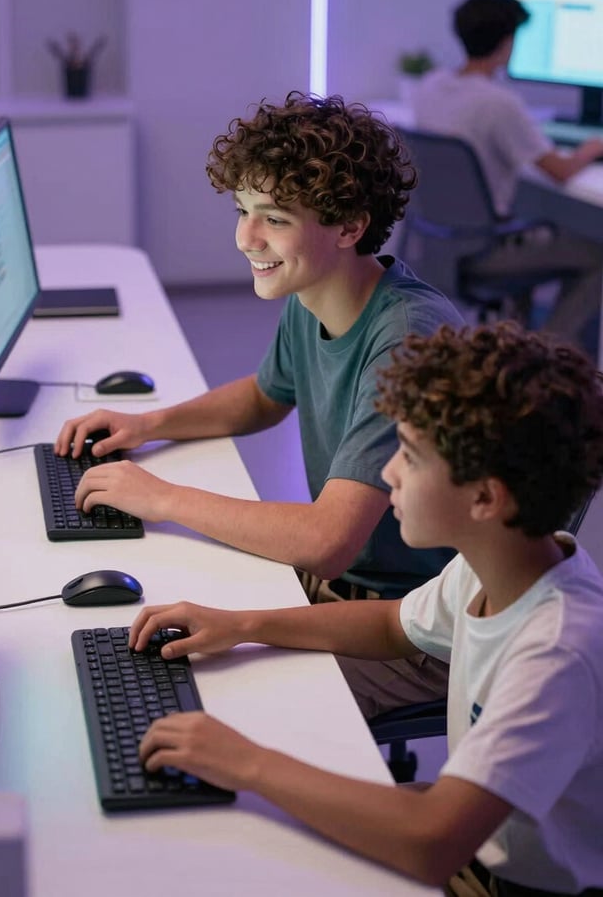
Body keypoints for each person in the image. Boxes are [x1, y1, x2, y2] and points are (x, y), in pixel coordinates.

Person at [129, 322, 603, 897]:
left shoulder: (556, 650)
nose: (387, 473)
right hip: (476, 840)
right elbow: (389, 623)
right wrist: (242, 625)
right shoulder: (495, 563)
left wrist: (247, 762)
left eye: (409, 456)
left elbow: (432, 844)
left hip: (512, 883)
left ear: (484, 497)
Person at [56, 91, 463, 717]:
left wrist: (161, 497)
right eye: (244, 210)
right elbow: (264, 397)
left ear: (350, 225)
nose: (247, 237)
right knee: (148, 620)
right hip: (347, 592)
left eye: (274, 217)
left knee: (217, 700)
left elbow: (328, 541)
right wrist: (149, 424)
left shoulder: (408, 336)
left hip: (412, 624)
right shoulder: (317, 291)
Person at [412, 0, 603, 351]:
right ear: (507, 42)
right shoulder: (499, 104)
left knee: (538, 227)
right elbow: (559, 171)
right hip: (485, 250)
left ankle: (516, 352)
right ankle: (544, 356)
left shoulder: (430, 86)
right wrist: (591, 148)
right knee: (597, 253)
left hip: (438, 244)